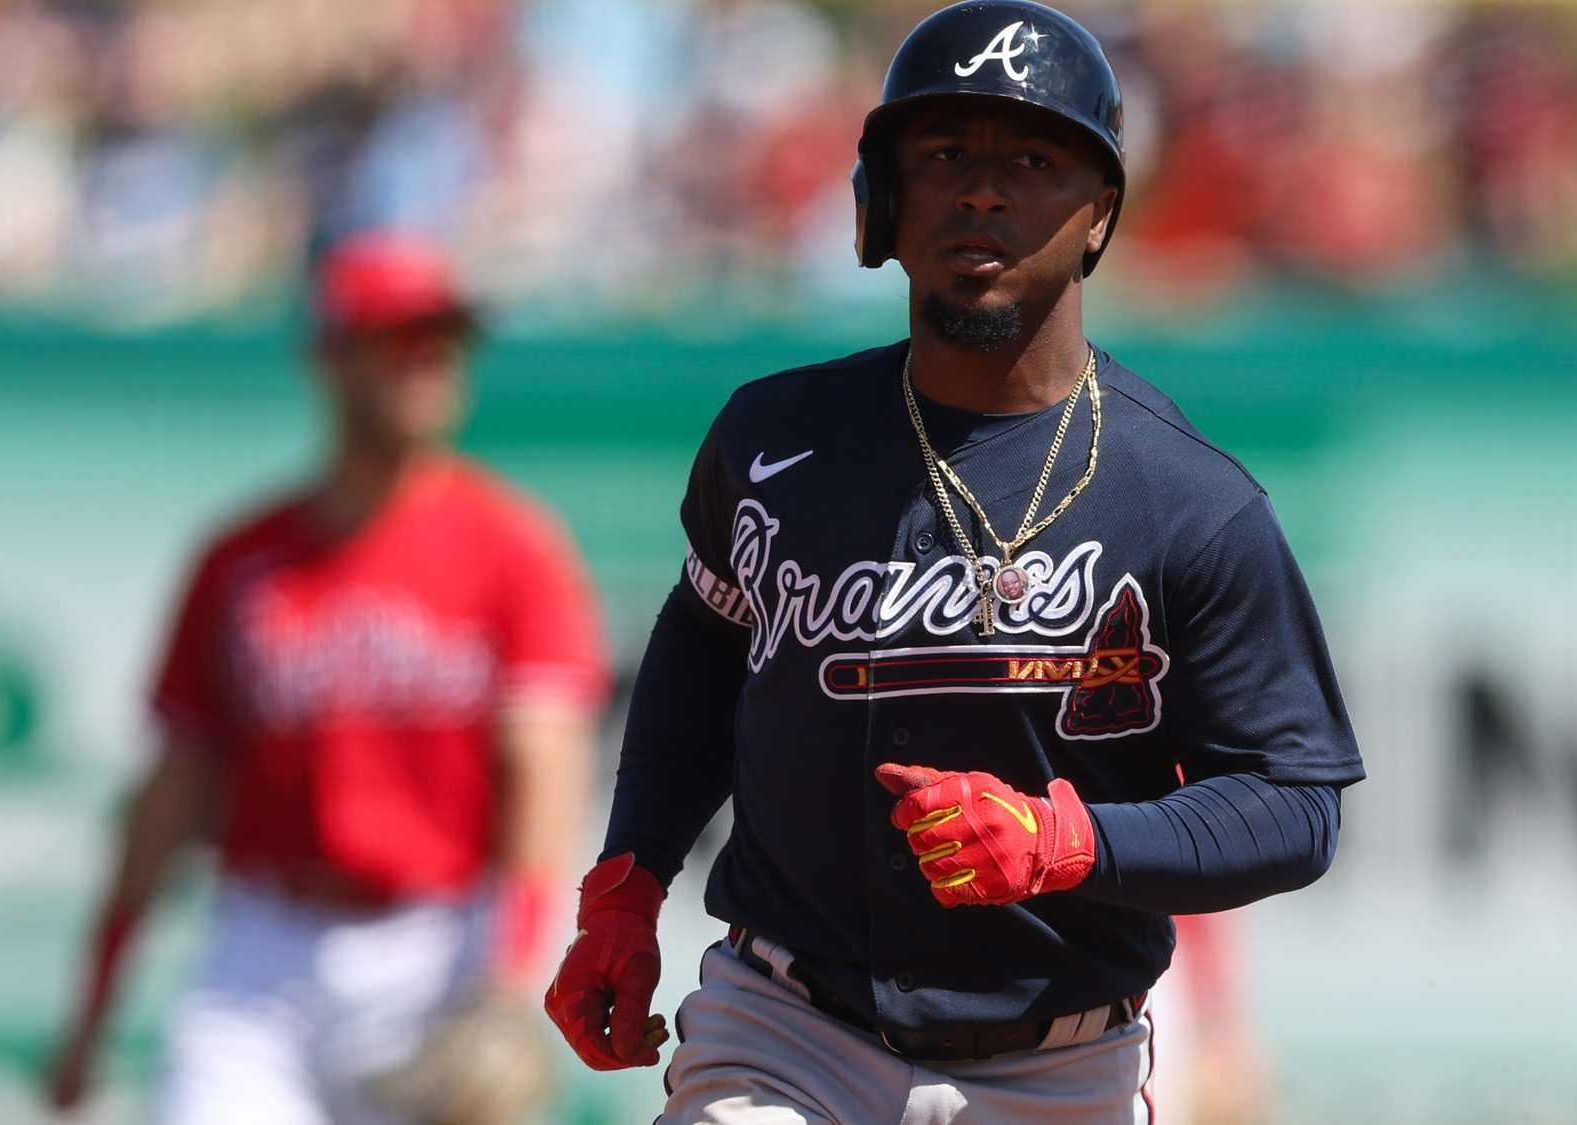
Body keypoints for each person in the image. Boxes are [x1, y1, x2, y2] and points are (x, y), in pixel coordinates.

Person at [542, 3, 1364, 1122]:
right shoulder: (770, 442)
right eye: (941, 156)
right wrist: (629, 883)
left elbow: (1293, 804)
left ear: (1098, 212)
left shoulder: (1189, 502)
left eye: (1031, 161)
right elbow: (703, 651)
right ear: (881, 201)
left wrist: (1071, 841)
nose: (981, 192)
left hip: (1058, 1064)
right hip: (786, 1028)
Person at [47, 232, 609, 1124]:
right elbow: (174, 788)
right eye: (399, 338)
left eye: (444, 340)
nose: (428, 362)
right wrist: (96, 1002)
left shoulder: (513, 549)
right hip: (263, 951)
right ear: (330, 357)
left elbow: (545, 768)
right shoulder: (244, 561)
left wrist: (512, 979)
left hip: (437, 946)